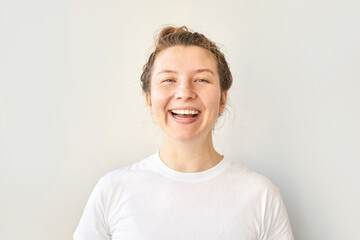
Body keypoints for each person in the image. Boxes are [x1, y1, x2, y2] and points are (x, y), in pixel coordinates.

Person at [73, 26, 294, 240]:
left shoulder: (260, 195)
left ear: (222, 100)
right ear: (149, 100)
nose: (184, 93)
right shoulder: (112, 190)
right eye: (168, 80)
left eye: (201, 80)